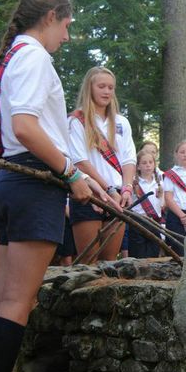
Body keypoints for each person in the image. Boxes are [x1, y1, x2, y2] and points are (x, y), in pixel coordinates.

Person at [0, 0, 116, 372]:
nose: (68, 37)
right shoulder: (35, 57)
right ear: (52, 16)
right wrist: (71, 176)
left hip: (10, 181)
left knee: (4, 296)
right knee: (19, 301)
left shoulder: (15, 56)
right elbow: (26, 127)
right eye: (67, 25)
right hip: (32, 183)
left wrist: (81, 175)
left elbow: (33, 133)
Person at [68, 66, 137, 263]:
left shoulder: (122, 122)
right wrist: (106, 190)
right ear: (90, 88)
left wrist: (126, 188)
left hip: (118, 196)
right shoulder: (77, 121)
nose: (107, 91)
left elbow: (129, 159)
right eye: (101, 86)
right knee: (88, 260)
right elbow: (80, 161)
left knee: (110, 261)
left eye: (111, 87)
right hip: (89, 193)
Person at [128, 149, 164, 258]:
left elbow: (162, 206)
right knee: (138, 255)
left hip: (154, 223)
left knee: (153, 255)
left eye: (150, 162)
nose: (148, 165)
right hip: (137, 222)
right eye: (144, 163)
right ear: (138, 166)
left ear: (154, 164)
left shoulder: (160, 183)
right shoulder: (133, 182)